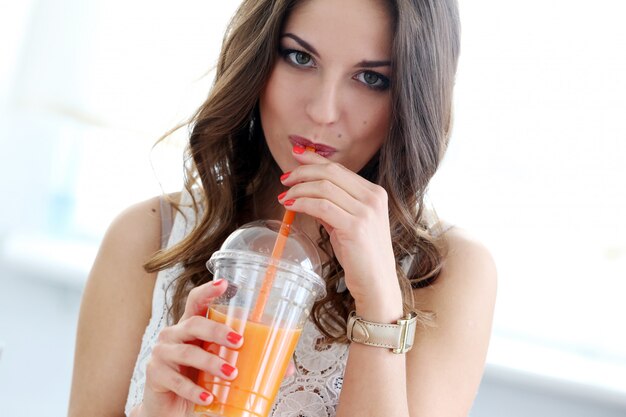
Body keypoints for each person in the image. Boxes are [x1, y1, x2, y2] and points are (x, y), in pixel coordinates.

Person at [68, 0, 497, 416]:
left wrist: (380, 300)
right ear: (257, 59)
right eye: (299, 57)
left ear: (411, 95)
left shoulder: (449, 273)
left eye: (370, 78)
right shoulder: (147, 236)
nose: (322, 111)